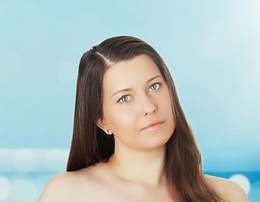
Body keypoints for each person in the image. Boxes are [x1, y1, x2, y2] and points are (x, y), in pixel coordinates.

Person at [39, 35, 248, 202]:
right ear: (101, 120)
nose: (149, 107)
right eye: (125, 98)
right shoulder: (68, 194)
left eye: (154, 86)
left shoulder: (226, 195)